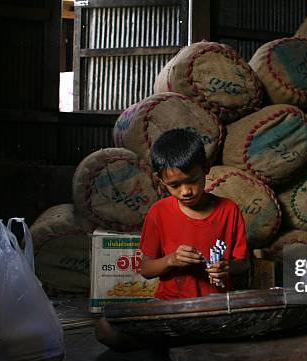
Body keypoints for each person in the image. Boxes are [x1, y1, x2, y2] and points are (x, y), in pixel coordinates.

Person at [96, 129, 249, 348]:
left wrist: (227, 267)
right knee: (105, 329)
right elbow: (146, 269)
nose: (186, 191)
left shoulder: (229, 210)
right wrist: (170, 260)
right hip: (169, 306)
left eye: (192, 181)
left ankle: (174, 341)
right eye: (174, 186)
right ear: (161, 180)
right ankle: (182, 339)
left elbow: (244, 265)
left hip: (214, 306)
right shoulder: (158, 213)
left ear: (205, 169)